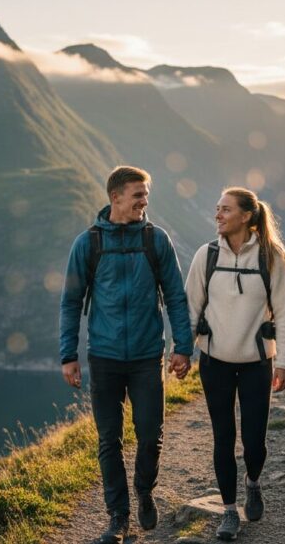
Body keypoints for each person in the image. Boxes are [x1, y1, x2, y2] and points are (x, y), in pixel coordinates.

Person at [59, 166, 193, 544]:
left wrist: (183, 347)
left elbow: (176, 296)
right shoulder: (88, 244)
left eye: (146, 194)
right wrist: (68, 355)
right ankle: (118, 517)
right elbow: (71, 302)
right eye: (138, 194)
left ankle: (144, 490)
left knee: (150, 434)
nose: (144, 201)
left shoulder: (156, 240)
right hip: (104, 357)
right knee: (109, 440)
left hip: (147, 356)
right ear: (115, 196)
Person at [170, 186, 285, 541]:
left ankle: (253, 482)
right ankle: (228, 511)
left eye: (225, 209)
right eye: (217, 208)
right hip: (215, 363)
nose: (218, 215)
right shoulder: (207, 255)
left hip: (258, 363)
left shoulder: (271, 257)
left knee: (255, 441)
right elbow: (190, 308)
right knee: (223, 438)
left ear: (246, 216)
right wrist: (183, 351)